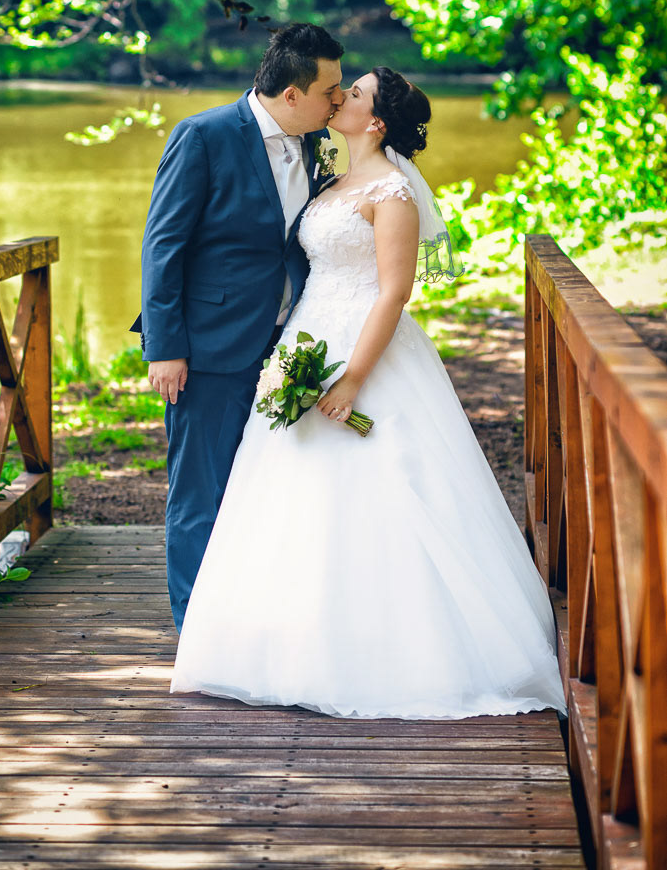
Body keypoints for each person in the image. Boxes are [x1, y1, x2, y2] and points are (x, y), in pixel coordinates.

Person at [171, 66, 567, 720]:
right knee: (290, 490)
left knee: (383, 483)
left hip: (367, 353)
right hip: (307, 339)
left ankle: (391, 645)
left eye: (351, 93)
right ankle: (280, 637)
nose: (338, 98)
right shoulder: (330, 177)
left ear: (376, 121)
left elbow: (392, 292)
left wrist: (353, 377)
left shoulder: (393, 191)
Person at [132, 23, 346, 631]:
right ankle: (197, 629)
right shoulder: (203, 136)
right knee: (200, 493)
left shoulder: (318, 144)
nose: (339, 101)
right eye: (330, 91)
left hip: (288, 345)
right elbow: (163, 245)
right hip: (210, 348)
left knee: (268, 486)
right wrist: (166, 347)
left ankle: (256, 618)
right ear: (291, 94)